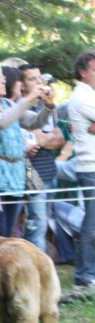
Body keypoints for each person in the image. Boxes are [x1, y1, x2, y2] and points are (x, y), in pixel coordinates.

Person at [0, 59, 54, 239]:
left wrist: (48, 106)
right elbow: (0, 122)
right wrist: (28, 100)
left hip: (15, 177)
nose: (3, 81)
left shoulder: (8, 104)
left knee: (8, 235)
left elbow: (34, 121)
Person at [18, 63, 65, 252]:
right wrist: (47, 140)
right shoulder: (20, 108)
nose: (39, 82)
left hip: (49, 169)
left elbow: (59, 139)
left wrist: (48, 140)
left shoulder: (46, 105)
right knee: (36, 225)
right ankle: (35, 274)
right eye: (32, 79)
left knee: (44, 223)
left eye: (39, 77)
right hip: (32, 174)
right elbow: (44, 139)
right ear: (21, 84)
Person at [68, 50, 95, 290]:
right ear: (83, 72)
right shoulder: (82, 96)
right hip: (91, 168)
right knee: (92, 223)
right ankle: (84, 276)